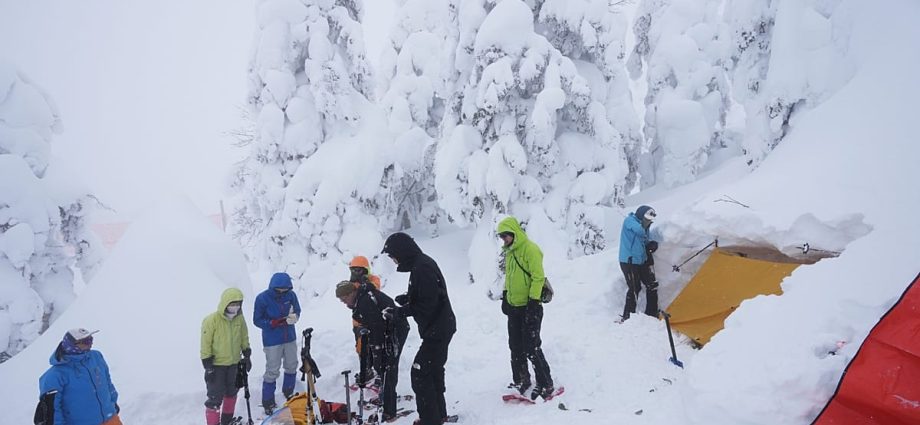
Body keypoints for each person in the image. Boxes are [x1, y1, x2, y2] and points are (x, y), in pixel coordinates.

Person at [380, 232, 456, 425]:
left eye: (393, 256)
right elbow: (429, 295)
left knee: (420, 373)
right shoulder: (420, 265)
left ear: (402, 252)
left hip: (437, 330)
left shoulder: (422, 268)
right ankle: (438, 415)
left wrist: (400, 312)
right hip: (439, 327)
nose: (394, 260)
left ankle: (431, 419)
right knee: (433, 371)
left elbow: (428, 304)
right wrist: (409, 298)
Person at [335, 278, 410, 422]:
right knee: (382, 365)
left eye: (344, 299)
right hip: (388, 329)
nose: (344, 303)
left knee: (388, 366)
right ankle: (385, 397)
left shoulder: (365, 302)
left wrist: (377, 351)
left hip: (396, 330)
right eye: (341, 300)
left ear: (351, 293)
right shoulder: (361, 299)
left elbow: (377, 329)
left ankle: (389, 411)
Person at [497, 216, 555, 400]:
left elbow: (538, 277)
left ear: (514, 232)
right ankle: (521, 380)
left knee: (531, 346)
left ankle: (546, 383)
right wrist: (505, 296)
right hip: (514, 307)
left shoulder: (530, 249)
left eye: (506, 235)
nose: (504, 239)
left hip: (531, 307)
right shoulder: (509, 252)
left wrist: (532, 302)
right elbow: (509, 277)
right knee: (515, 345)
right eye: (501, 237)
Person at [38, 328, 122, 425]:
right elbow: (52, 412)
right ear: (72, 345)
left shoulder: (96, 357)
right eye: (86, 341)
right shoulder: (54, 376)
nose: (90, 343)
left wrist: (112, 403)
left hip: (111, 419)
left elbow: (107, 381)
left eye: (91, 339)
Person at [201, 287, 253, 425]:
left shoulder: (239, 319)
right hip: (217, 365)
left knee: (232, 393)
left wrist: (247, 355)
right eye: (232, 304)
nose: (234, 307)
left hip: (234, 364)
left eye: (237, 304)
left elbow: (244, 337)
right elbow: (205, 344)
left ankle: (227, 421)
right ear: (225, 303)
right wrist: (208, 366)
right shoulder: (211, 320)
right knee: (215, 398)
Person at [253, 272, 302, 414]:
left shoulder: (291, 295)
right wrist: (271, 323)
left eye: (285, 289)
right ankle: (267, 401)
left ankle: (289, 391)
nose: (282, 292)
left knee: (292, 364)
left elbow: (297, 310)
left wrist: (295, 317)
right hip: (272, 339)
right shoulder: (262, 298)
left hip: (289, 336)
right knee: (272, 369)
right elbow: (257, 320)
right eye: (279, 289)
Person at [618, 205, 660, 320]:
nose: (649, 221)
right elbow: (639, 231)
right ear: (641, 214)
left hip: (641, 261)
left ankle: (651, 313)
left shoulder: (644, 225)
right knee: (634, 288)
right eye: (648, 218)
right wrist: (646, 224)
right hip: (628, 261)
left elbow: (645, 239)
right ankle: (628, 317)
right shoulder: (629, 221)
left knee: (651, 285)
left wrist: (651, 244)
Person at [347, 255, 382, 386]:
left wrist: (365, 284)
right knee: (361, 348)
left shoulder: (374, 280)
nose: (356, 273)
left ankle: (380, 372)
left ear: (365, 270)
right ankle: (366, 370)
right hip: (358, 322)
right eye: (353, 270)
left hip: (373, 321)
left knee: (376, 347)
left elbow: (375, 289)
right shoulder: (352, 284)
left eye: (359, 270)